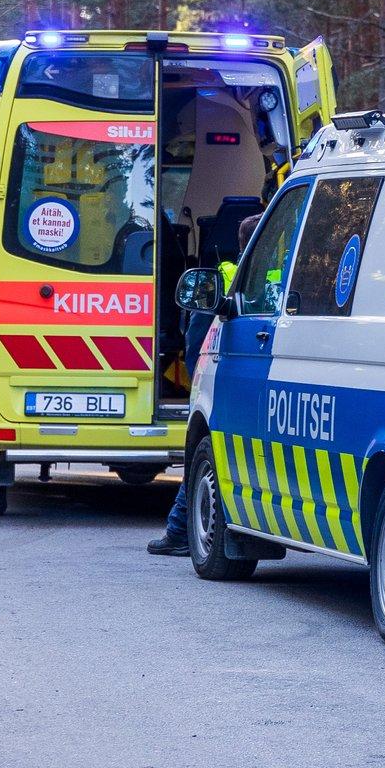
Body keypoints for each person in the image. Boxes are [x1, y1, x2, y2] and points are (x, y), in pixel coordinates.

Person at [149, 211, 263, 556]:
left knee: (207, 451)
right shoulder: (279, 274)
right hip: (256, 378)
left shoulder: (228, 276)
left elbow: (197, 340)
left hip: (226, 373)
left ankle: (180, 530)